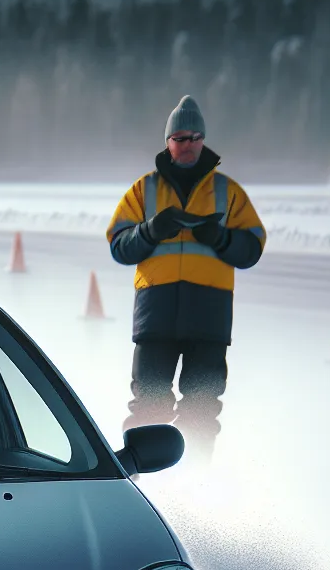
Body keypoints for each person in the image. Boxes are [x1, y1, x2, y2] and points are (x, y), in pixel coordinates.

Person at [107, 94, 266, 457]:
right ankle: (145, 482)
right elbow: (119, 246)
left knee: (201, 409)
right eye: (180, 138)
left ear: (204, 140)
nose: (188, 144)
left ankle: (197, 480)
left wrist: (222, 238)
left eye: (195, 137)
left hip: (209, 319)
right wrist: (150, 230)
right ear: (167, 142)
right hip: (156, 316)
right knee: (148, 407)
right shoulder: (143, 189)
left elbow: (252, 248)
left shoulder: (228, 192)